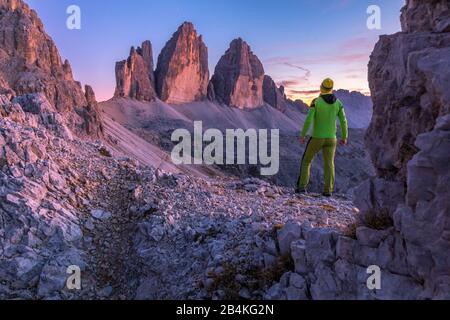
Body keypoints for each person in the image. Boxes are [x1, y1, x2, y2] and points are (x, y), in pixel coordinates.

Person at [296, 78, 348, 197]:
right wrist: (344, 137)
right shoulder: (338, 103)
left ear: (321, 87)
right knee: (329, 164)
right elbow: (343, 121)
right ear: (331, 89)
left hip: (317, 138)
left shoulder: (316, 102)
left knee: (306, 161)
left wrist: (303, 135)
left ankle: (302, 188)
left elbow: (309, 120)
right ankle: (328, 191)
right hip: (332, 139)